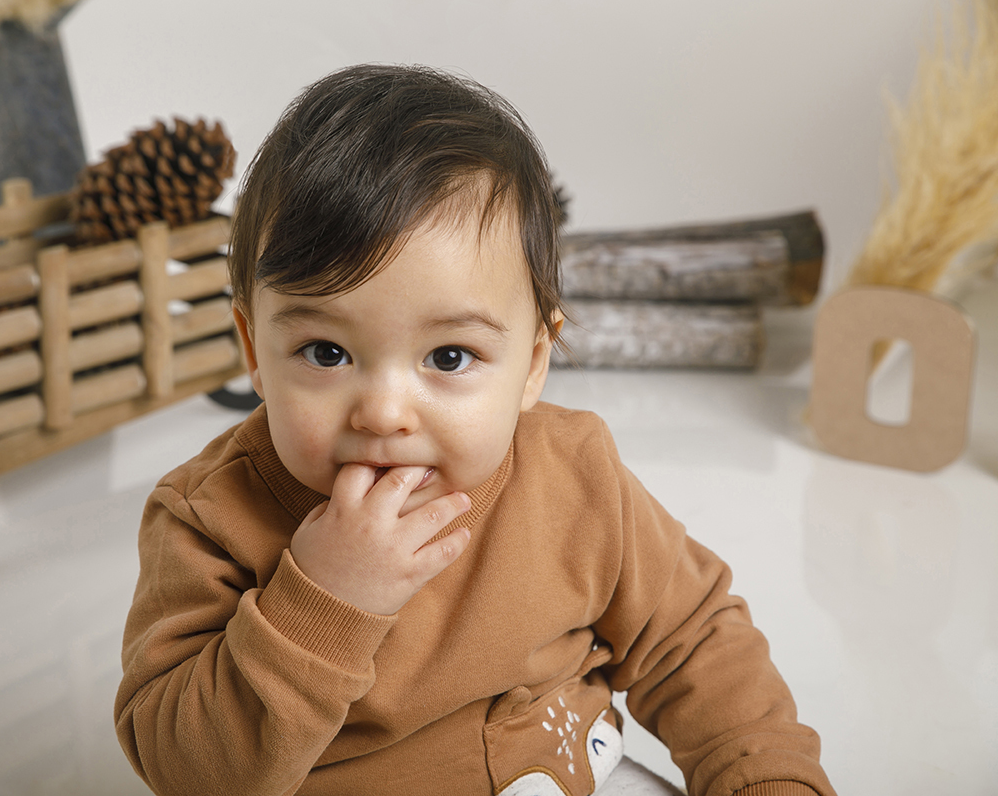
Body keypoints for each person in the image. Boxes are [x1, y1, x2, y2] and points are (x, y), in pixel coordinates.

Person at [115, 63, 836, 796]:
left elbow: (692, 641)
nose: (385, 414)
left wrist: (766, 776)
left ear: (530, 364)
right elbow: (189, 773)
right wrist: (320, 605)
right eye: (326, 353)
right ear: (254, 353)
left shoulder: (574, 473)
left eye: (449, 356)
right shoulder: (207, 520)